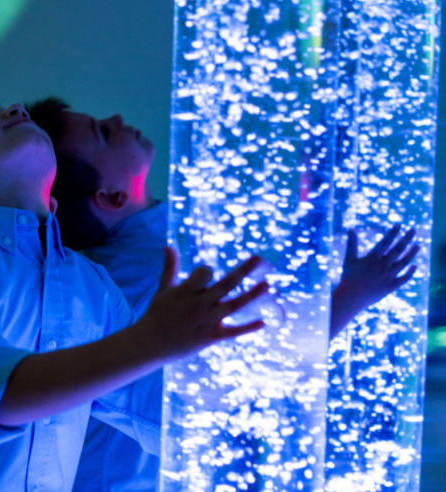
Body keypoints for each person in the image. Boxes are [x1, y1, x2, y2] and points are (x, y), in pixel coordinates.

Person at [0, 86, 271, 492]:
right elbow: (1, 397)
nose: (15, 108)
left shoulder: (92, 284)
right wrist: (151, 341)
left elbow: (162, 413)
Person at [27, 97, 420, 492]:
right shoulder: (136, 276)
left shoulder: (150, 252)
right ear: (110, 197)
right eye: (103, 132)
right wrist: (351, 296)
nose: (115, 115)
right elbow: (238, 381)